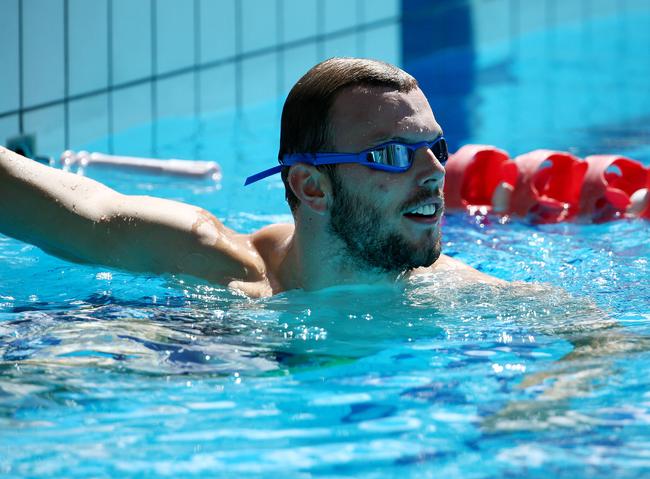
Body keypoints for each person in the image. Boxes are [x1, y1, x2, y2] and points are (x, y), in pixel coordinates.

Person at [0, 58, 501, 298]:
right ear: (311, 186)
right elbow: (73, 205)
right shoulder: (206, 259)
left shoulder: (450, 289)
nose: (436, 172)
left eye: (435, 148)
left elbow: (582, 335)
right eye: (392, 155)